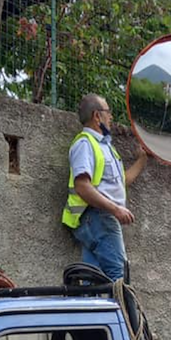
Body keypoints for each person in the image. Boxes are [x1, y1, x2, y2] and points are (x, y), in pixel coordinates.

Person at [62, 93, 147, 281]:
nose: (111, 118)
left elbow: (120, 181)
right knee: (119, 278)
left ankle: (88, 310)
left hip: (98, 220)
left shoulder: (106, 147)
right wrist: (115, 209)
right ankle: (123, 311)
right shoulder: (85, 143)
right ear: (96, 116)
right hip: (99, 218)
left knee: (90, 280)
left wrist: (142, 159)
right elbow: (82, 186)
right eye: (108, 112)